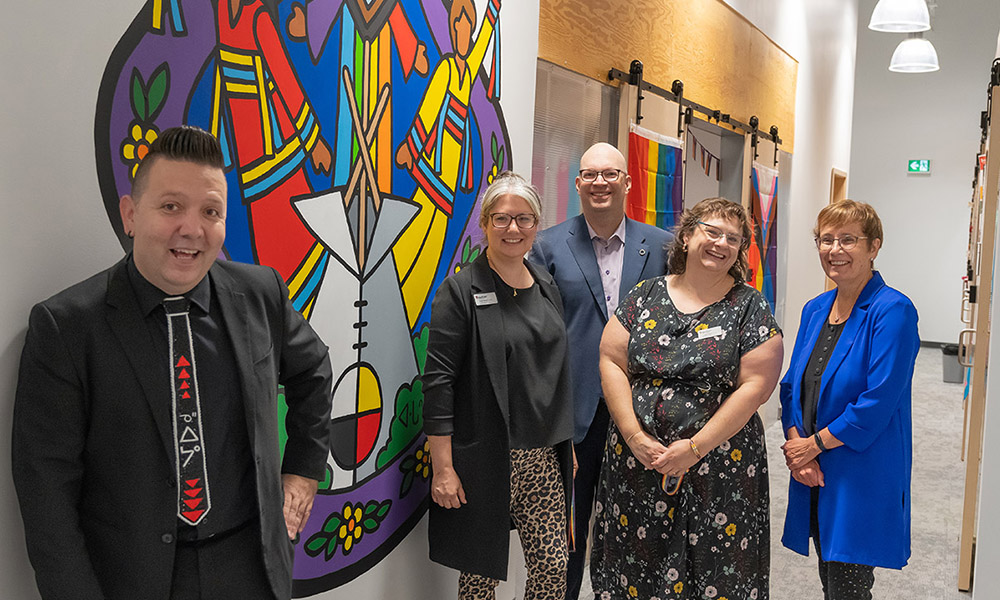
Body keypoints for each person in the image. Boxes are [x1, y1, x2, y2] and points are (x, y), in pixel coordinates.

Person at [11, 126, 333, 600]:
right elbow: (47, 498)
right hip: (134, 580)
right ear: (130, 215)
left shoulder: (260, 294)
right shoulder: (66, 328)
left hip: (252, 570)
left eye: (211, 212)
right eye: (170, 207)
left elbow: (313, 370)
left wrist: (303, 471)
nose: (192, 228)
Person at [591, 197, 783, 600]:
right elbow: (611, 358)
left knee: (713, 571)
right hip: (637, 462)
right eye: (712, 232)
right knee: (634, 565)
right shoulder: (646, 294)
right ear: (687, 235)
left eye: (733, 238)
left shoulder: (749, 306)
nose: (721, 243)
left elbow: (756, 387)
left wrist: (696, 447)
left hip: (719, 470)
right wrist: (632, 434)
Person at [529, 141, 672, 600]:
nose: (600, 183)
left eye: (610, 174)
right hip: (576, 413)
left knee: (641, 526)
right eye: (590, 175)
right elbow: (537, 335)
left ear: (627, 182)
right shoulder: (547, 245)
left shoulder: (664, 246)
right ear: (578, 185)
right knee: (569, 532)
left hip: (647, 410)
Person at [422, 171, 574, 600]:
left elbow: (554, 369)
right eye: (503, 219)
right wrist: (443, 468)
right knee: (480, 573)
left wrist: (568, 445)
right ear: (485, 224)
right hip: (485, 457)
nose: (513, 229)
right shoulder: (460, 291)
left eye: (524, 219)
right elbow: (438, 385)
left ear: (536, 226)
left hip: (542, 457)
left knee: (552, 568)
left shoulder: (545, 284)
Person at [779, 199, 919, 600]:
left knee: (848, 587)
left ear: (874, 247)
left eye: (848, 240)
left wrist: (812, 446)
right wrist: (797, 450)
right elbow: (791, 386)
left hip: (860, 469)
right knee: (831, 577)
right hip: (813, 466)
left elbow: (877, 402)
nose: (834, 249)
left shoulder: (893, 310)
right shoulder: (815, 309)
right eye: (826, 239)